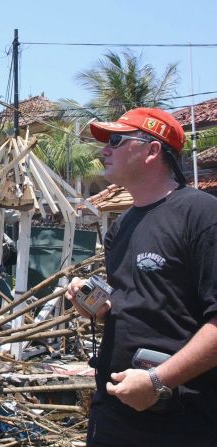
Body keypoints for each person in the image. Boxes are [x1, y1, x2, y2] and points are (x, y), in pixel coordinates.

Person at [65, 108, 217, 447]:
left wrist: (158, 380)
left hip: (181, 421)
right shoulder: (120, 228)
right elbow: (145, 306)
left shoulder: (202, 215)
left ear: (152, 151)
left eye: (116, 140)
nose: (104, 150)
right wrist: (96, 306)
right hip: (113, 412)